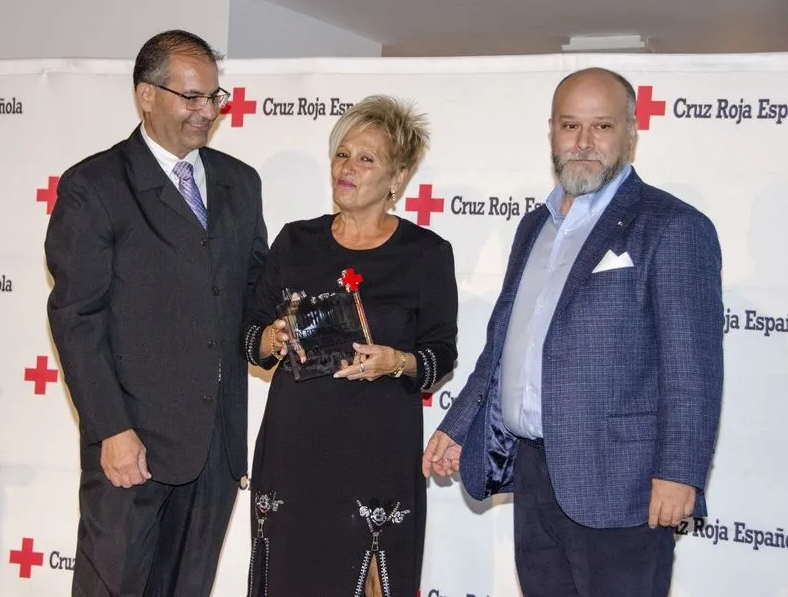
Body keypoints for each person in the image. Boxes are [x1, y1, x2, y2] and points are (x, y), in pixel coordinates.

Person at [423, 67, 724, 597]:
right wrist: (460, 422)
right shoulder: (533, 226)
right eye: (570, 125)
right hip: (534, 475)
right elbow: (504, 344)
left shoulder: (672, 226)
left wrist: (680, 472)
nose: (584, 142)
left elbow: (692, 369)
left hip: (624, 486)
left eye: (602, 126)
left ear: (631, 133)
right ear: (552, 133)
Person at [45, 29, 268, 596]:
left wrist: (283, 329)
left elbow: (253, 294)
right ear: (146, 95)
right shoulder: (94, 186)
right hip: (132, 446)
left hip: (215, 451)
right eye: (190, 97)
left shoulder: (241, 183)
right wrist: (112, 430)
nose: (207, 111)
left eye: (214, 97)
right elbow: (76, 318)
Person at [242, 95, 457, 597]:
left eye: (366, 159)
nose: (348, 168)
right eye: (342, 154)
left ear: (397, 177)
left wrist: (396, 362)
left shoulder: (426, 254)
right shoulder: (295, 241)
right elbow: (249, 337)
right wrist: (273, 337)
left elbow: (440, 356)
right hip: (295, 447)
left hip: (376, 450)